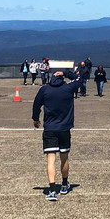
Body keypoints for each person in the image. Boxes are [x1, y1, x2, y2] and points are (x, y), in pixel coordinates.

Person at [31, 70, 86, 201]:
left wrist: (35, 118)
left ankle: (51, 190)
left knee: (51, 159)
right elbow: (80, 78)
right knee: (64, 157)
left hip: (50, 128)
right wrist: (67, 72)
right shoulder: (68, 88)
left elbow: (36, 105)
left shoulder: (45, 89)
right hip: (64, 128)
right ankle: (64, 184)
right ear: (62, 78)